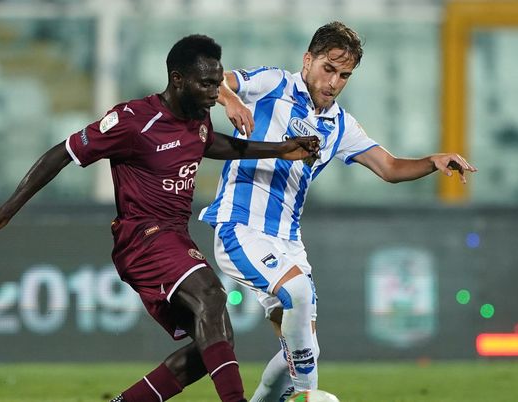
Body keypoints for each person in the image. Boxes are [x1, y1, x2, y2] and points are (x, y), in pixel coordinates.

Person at [0, 34, 320, 402]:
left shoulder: (197, 116)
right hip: (143, 236)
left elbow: (209, 143)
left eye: (217, 82)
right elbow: (62, 152)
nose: (216, 92)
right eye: (207, 83)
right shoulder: (133, 120)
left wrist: (280, 149)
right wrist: (7, 210)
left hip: (174, 236)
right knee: (212, 296)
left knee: (212, 344)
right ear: (177, 79)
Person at [199, 21, 477, 401]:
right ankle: (307, 395)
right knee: (296, 292)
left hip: (288, 242)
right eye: (328, 69)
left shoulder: (340, 125)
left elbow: (390, 168)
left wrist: (433, 160)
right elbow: (216, 79)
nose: (334, 81)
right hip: (240, 226)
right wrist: (230, 98)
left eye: (344, 75)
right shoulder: (273, 84)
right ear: (308, 59)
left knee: (303, 350)